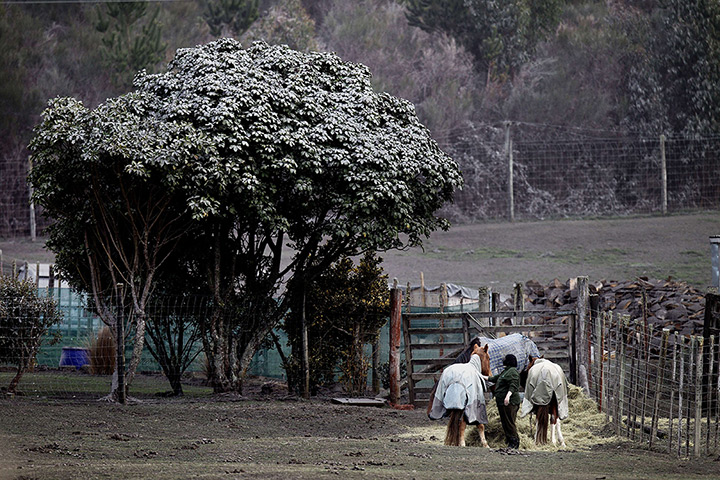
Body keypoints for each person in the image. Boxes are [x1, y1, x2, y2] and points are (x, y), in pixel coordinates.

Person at [487, 353, 521, 449]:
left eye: (505, 359)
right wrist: (481, 376)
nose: (503, 360)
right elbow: (494, 379)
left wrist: (507, 397)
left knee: (509, 422)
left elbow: (513, 385)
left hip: (509, 403)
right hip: (502, 402)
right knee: (505, 422)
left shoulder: (513, 372)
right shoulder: (505, 372)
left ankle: (514, 442)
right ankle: (510, 441)